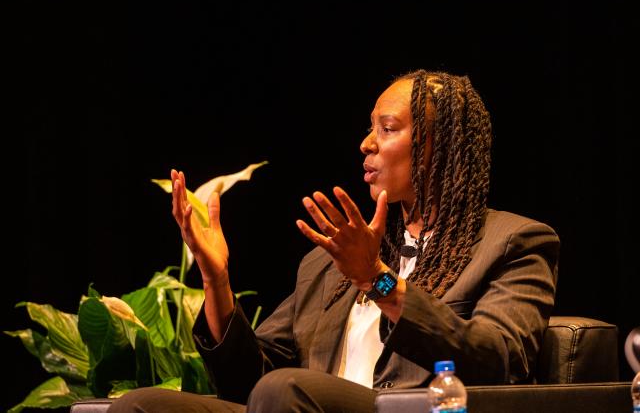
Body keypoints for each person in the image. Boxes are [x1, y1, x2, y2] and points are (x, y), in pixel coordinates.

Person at [109, 70, 559, 412]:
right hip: (300, 404)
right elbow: (248, 382)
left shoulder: (512, 243)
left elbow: (498, 361)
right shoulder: (331, 263)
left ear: (438, 147)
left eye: (386, 129)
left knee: (285, 389)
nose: (366, 143)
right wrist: (218, 280)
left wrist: (378, 280)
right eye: (371, 128)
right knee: (141, 406)